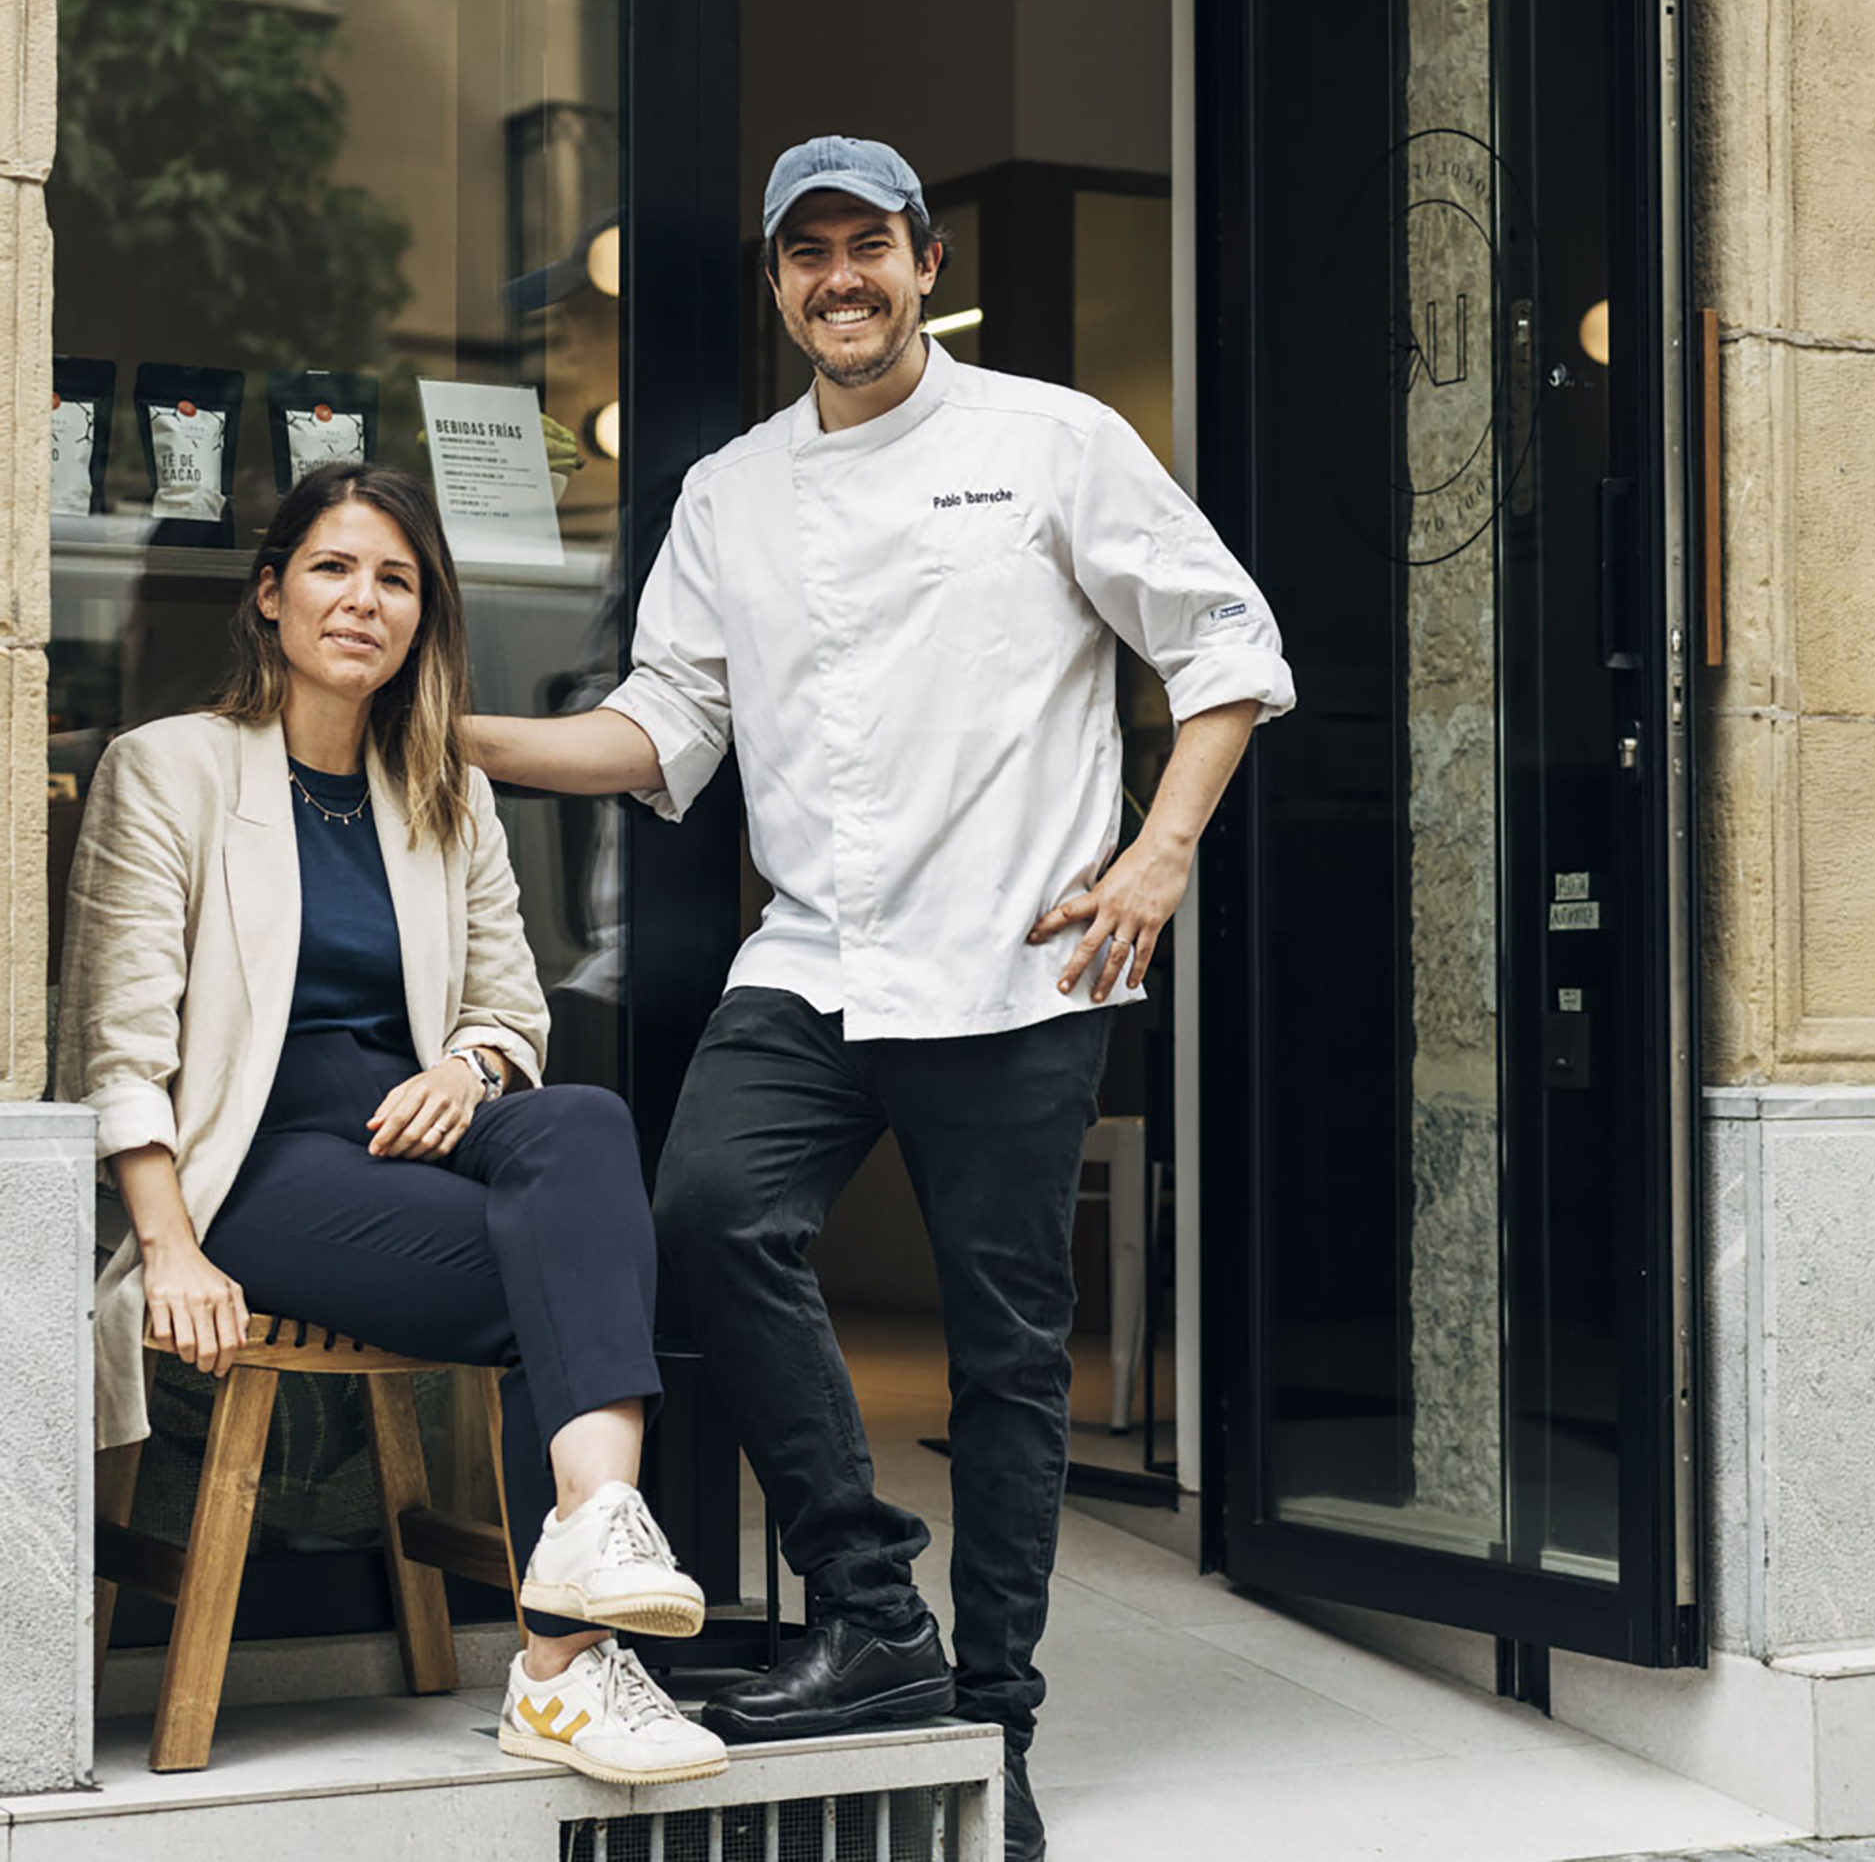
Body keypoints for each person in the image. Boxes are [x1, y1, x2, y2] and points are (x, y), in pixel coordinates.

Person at [467, 134, 1293, 1862]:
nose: (839, 279)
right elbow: (661, 735)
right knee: (705, 1215)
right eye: (807, 254)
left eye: (869, 247)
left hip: (1021, 961)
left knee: (1006, 1361)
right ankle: (870, 1610)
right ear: (778, 283)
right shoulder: (731, 491)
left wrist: (1157, 859)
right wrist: (446, 734)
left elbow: (1224, 647)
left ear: (923, 263)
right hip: (818, 956)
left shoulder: (1051, 440)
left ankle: (992, 1712)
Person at [56, 461, 723, 1789]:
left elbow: (508, 1006)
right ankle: (567, 1664)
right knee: (578, 1265)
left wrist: (473, 1070)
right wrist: (171, 1243)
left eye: (397, 579)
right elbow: (116, 1041)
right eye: (333, 568)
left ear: (426, 616)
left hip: (397, 1127)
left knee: (578, 1122)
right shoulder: (168, 768)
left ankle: (593, 1532)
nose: (363, 600)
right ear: (269, 593)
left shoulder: (446, 788)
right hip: (244, 1159)